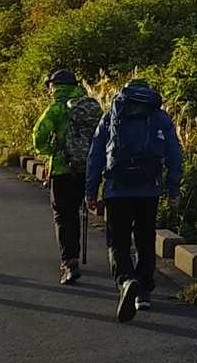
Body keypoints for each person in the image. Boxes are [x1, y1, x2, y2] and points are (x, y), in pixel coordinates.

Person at [84, 79, 182, 323]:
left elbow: (96, 153)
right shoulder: (159, 117)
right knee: (145, 238)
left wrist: (91, 190)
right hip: (149, 189)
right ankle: (144, 291)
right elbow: (174, 153)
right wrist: (173, 189)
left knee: (118, 241)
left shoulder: (112, 115)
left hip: (117, 189)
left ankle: (126, 280)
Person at [32, 69, 103, 284]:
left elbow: (38, 136)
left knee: (63, 216)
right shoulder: (90, 106)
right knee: (76, 212)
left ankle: (69, 262)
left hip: (63, 170)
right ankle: (75, 255)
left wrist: (51, 151)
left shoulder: (56, 108)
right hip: (86, 169)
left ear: (54, 86)